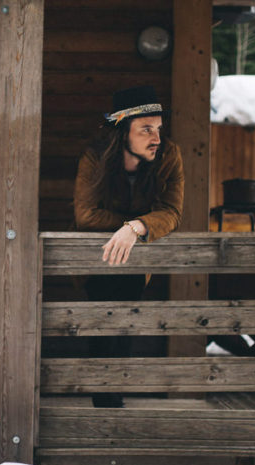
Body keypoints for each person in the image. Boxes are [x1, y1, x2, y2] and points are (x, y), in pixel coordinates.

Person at [72, 85, 185, 407]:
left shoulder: (169, 156)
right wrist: (125, 225)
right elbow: (86, 215)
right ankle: (101, 397)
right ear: (123, 132)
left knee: (127, 319)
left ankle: (112, 396)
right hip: (98, 258)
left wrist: (136, 227)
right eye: (146, 129)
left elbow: (172, 212)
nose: (157, 138)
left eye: (159, 129)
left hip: (137, 255)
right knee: (100, 321)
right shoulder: (95, 157)